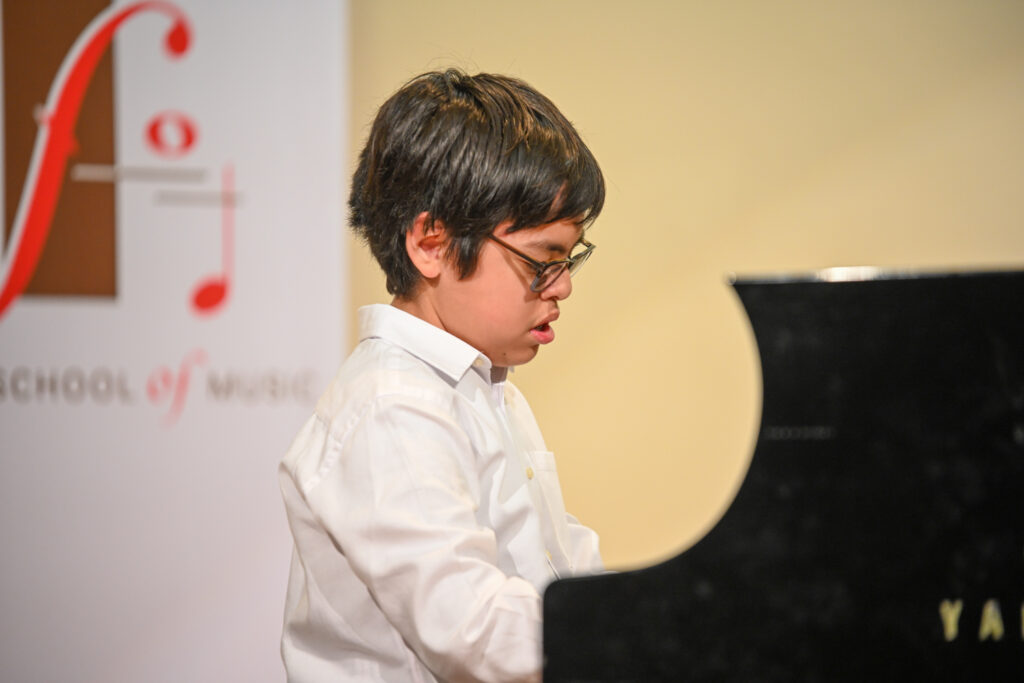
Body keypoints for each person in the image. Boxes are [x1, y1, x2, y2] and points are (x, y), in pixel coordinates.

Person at [278, 69, 605, 683]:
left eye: (570, 259)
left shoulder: (486, 388)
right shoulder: (391, 407)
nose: (562, 287)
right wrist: (637, 632)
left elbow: (559, 563)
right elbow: (474, 631)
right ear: (431, 243)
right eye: (543, 261)